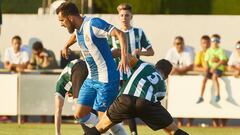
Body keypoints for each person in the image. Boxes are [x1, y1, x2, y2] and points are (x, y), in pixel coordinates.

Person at [56, 2, 128, 135]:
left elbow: (120, 34)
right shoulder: (78, 28)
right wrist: (65, 45)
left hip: (107, 78)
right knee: (80, 114)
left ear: (70, 18)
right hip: (92, 78)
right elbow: (76, 36)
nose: (61, 24)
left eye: (62, 20)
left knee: (105, 118)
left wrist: (123, 57)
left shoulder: (93, 24)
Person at [84, 57, 189, 135]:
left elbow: (129, 58)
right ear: (166, 76)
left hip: (125, 99)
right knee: (174, 131)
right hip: (146, 104)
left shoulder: (144, 65)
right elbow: (158, 99)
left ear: (156, 66)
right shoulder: (163, 85)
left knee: (100, 127)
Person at [110, 3, 154, 135]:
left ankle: (133, 131)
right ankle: (116, 130)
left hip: (134, 73)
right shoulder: (113, 33)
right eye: (122, 15)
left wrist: (140, 52)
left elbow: (151, 51)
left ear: (131, 16)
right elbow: (106, 52)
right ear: (119, 17)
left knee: (129, 102)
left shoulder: (138, 32)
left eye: (127, 15)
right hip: (117, 73)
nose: (124, 18)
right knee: (115, 102)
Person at [165, 36, 194, 127]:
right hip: (175, 82)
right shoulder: (171, 52)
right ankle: (180, 122)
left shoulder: (188, 51)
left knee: (188, 101)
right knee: (177, 101)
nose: (179, 46)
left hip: (187, 81)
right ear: (174, 44)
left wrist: (178, 70)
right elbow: (166, 65)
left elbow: (190, 66)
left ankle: (189, 123)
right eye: (177, 44)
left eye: (181, 43)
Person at [55, 59, 89, 135]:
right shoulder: (67, 86)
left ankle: (92, 131)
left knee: (78, 111)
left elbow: (57, 111)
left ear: (68, 94)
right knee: (87, 107)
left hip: (77, 67)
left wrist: (57, 133)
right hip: (83, 66)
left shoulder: (59, 88)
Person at [196, 34, 228, 104]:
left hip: (218, 68)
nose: (215, 42)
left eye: (217, 40)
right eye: (213, 40)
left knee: (214, 77)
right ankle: (201, 96)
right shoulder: (209, 51)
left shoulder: (220, 50)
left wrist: (214, 67)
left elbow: (223, 61)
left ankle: (218, 95)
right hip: (211, 69)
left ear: (219, 42)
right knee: (204, 80)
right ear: (211, 41)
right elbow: (206, 60)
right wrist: (207, 67)